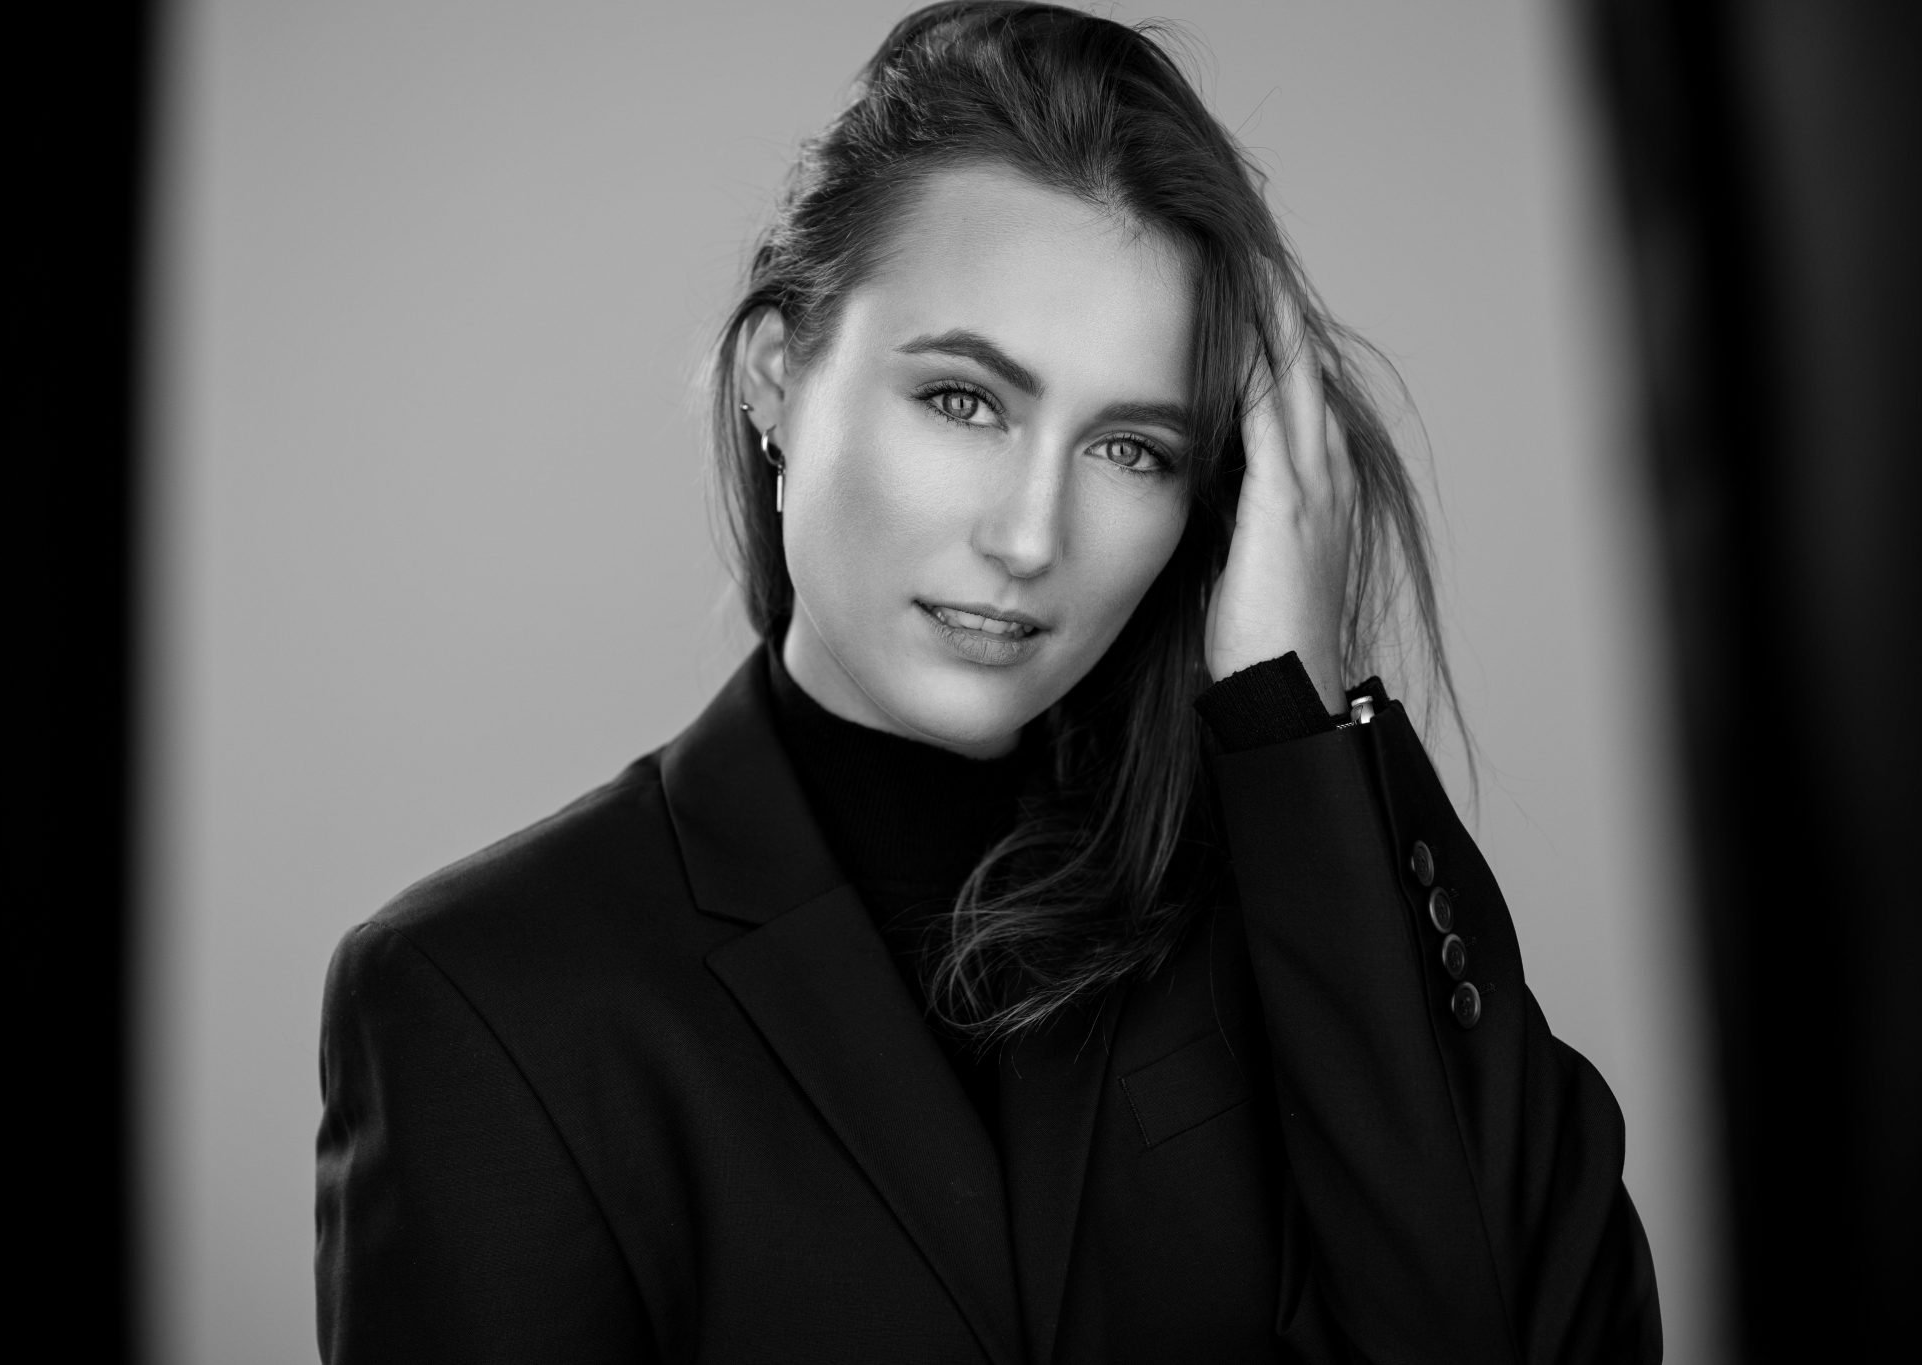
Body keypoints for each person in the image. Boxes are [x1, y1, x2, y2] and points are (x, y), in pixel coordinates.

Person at [314, 4, 1664, 1361]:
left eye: (1131, 449)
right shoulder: (483, 998)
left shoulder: (1287, 910)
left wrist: (1288, 720)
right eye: (964, 400)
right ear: (776, 374)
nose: (1030, 537)